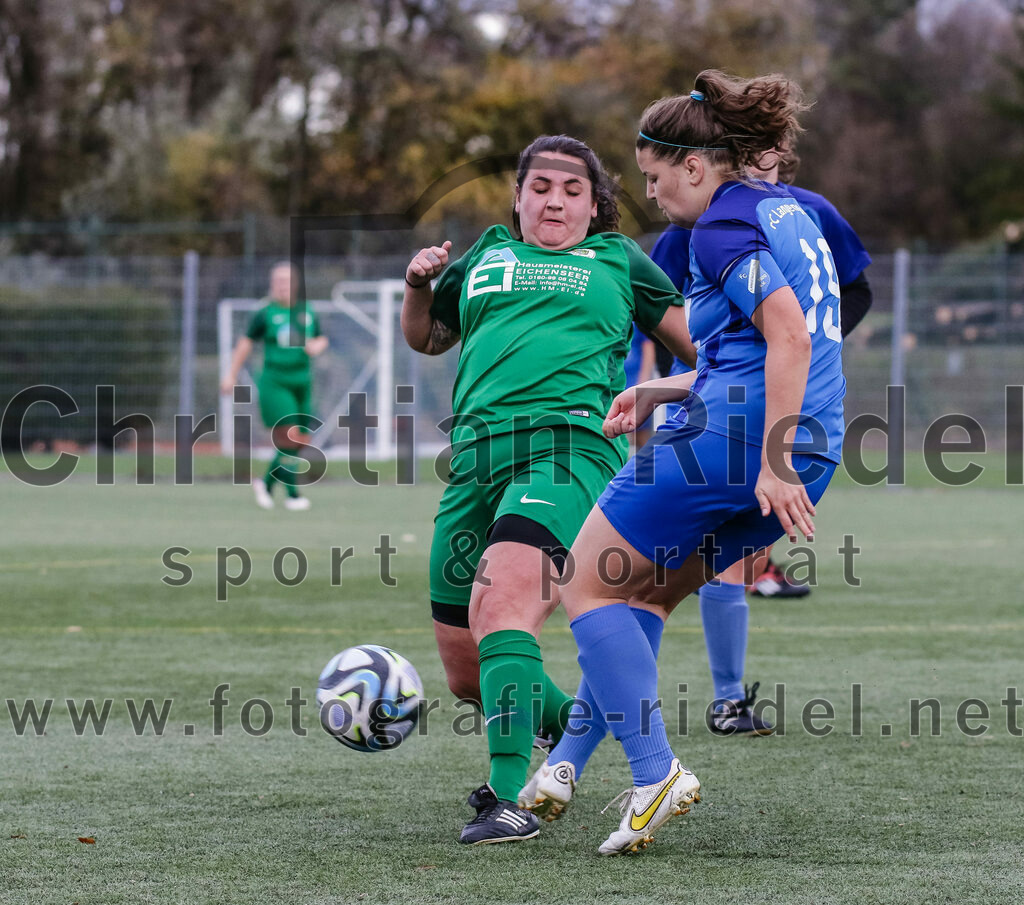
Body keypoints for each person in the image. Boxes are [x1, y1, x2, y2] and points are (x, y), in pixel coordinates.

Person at [522, 70, 846, 856]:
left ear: (696, 167)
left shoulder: (720, 228)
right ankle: (564, 766)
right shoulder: (785, 211)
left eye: (656, 177)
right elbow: (757, 344)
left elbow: (788, 338)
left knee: (585, 581)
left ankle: (654, 769)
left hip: (739, 440)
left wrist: (768, 458)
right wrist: (663, 385)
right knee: (645, 596)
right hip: (811, 438)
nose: (653, 193)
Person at [401, 135, 695, 846]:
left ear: (595, 204)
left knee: (504, 601)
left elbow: (706, 352)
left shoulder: (620, 261)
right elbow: (427, 338)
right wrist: (417, 286)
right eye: (540, 187)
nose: (554, 200)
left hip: (568, 451)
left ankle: (508, 803)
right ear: (518, 196)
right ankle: (573, 744)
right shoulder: (487, 255)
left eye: (571, 190)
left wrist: (662, 399)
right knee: (467, 672)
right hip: (473, 461)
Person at [648, 149, 873, 736]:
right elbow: (650, 310)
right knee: (642, 575)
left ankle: (723, 699)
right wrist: (654, 385)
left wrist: (803, 350)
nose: (757, 162)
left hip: (771, 409)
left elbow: (856, 293)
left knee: (699, 566)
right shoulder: (695, 222)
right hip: (707, 406)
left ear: (781, 154)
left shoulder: (807, 210)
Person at [220, 262, 328, 510]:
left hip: (302, 382)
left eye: (286, 281)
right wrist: (231, 375)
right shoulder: (265, 313)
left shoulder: (306, 310)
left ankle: (266, 484)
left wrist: (318, 345)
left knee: (300, 440)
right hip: (275, 382)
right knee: (290, 436)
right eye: (277, 281)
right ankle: (292, 494)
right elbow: (245, 343)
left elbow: (320, 337)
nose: (281, 286)